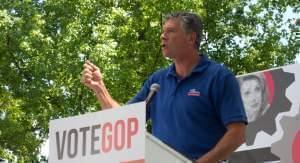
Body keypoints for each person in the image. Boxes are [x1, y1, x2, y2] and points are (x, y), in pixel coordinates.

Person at [81, 12, 247, 163]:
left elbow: (237, 134)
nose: (163, 36)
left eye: (170, 31)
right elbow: (123, 122)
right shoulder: (157, 80)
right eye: (163, 31)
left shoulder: (219, 77)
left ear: (191, 38)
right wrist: (99, 88)